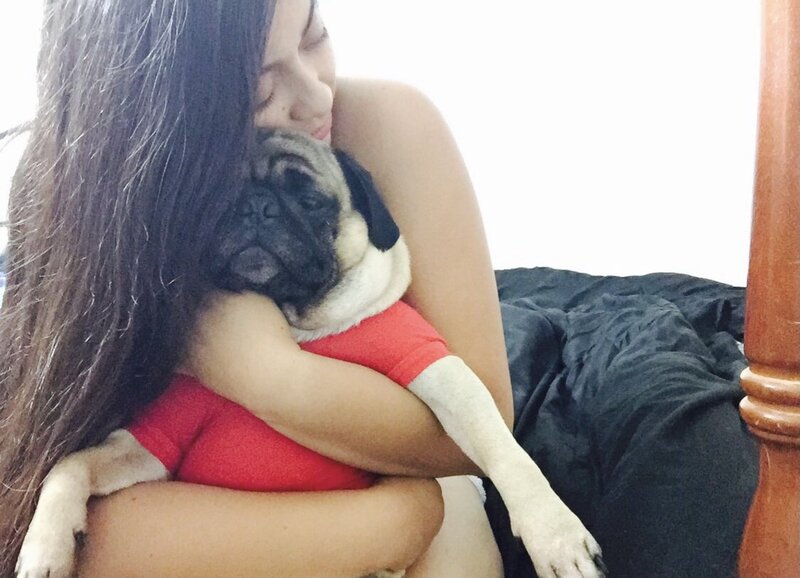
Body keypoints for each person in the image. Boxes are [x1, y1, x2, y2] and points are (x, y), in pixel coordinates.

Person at [0, 1, 510, 576]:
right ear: (153, 126)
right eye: (260, 90)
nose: (317, 95)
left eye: (315, 35)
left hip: (408, 472)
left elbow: (478, 437)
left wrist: (267, 373)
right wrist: (393, 521)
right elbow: (68, 524)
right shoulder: (63, 197)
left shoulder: (389, 126)